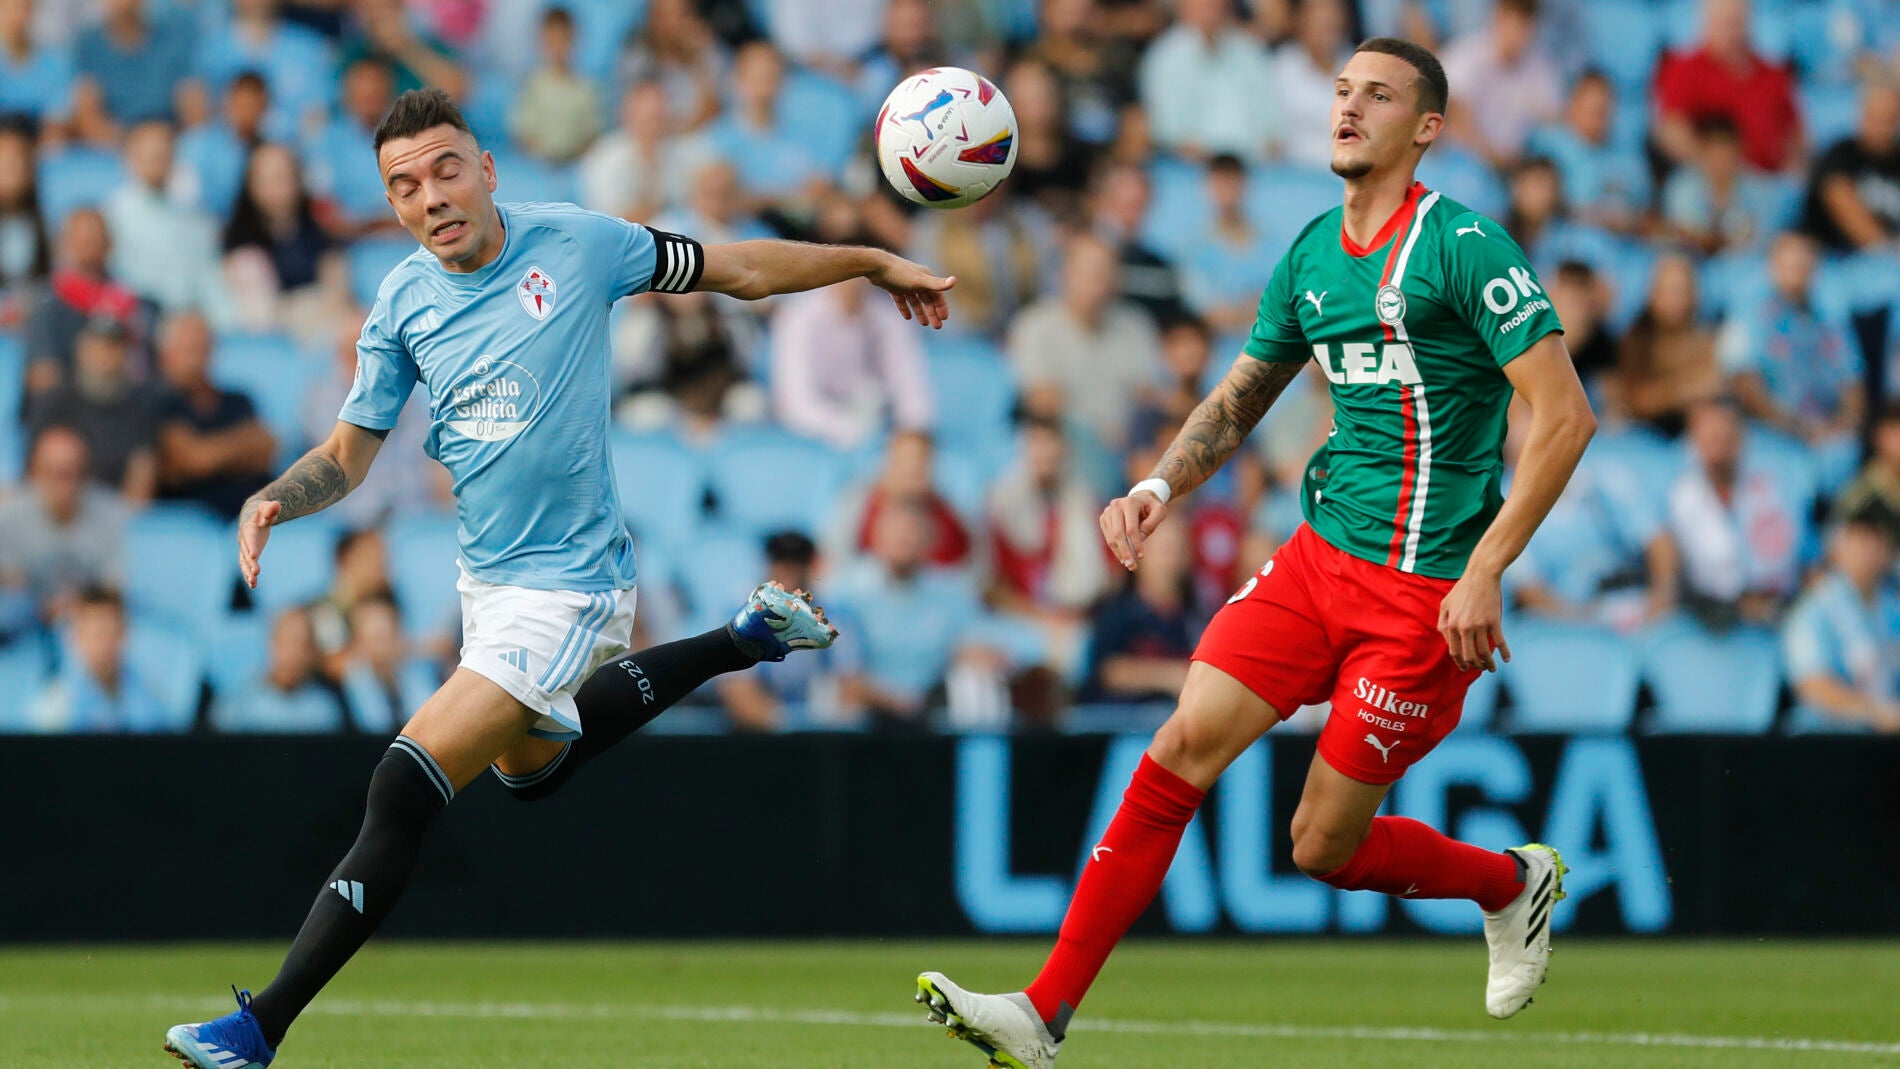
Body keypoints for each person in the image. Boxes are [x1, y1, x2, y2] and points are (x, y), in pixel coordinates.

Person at [161, 87, 953, 1068]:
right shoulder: (402, 302)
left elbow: (739, 268)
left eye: (446, 169)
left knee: (401, 788)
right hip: (486, 584)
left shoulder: (579, 244)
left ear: (486, 169)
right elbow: (348, 455)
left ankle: (259, 1027)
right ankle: (741, 638)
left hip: (573, 585)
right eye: (404, 185)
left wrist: (869, 259)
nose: (430, 196)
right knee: (532, 773)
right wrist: (276, 496)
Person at [915, 38, 1597, 1068]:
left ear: (1427, 128)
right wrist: (1156, 487)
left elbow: (1565, 417)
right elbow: (1240, 399)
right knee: (1181, 741)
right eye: (1341, 90)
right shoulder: (1312, 252)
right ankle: (1042, 1012)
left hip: (1423, 594)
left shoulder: (1466, 247)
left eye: (1379, 95)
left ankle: (1510, 882)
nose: (1348, 107)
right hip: (1319, 559)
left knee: (1320, 845)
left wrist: (1486, 567)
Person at [1719, 231, 1863, 493]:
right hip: (1771, 434)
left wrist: (1845, 422)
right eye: (1790, 261)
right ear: (1772, 266)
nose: (1798, 267)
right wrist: (1795, 427)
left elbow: (1853, 381)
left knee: (1844, 456)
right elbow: (1743, 381)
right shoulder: (1748, 313)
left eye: (1804, 260)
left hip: (1829, 433)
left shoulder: (1830, 317)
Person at [1663, 396, 1806, 630]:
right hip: (1711, 618)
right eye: (1711, 437)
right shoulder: (1680, 497)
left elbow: (1799, 557)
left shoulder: (1773, 485)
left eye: (1726, 436)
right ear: (1693, 440)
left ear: (1741, 436)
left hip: (1780, 608)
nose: (1719, 447)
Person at [0, 426, 127, 635]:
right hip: (29, 619)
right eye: (53, 472)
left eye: (70, 473)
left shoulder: (109, 513)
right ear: (35, 472)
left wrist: (75, 605)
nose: (62, 483)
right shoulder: (10, 517)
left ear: (85, 474)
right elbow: (11, 583)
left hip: (89, 618)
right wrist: (46, 606)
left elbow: (113, 586)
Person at [1781, 510, 1900, 733]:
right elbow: (1812, 684)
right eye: (1859, 540)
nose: (1868, 552)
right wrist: (1874, 711)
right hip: (1828, 736)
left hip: (1886, 738)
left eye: (1876, 540)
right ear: (1837, 547)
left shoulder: (1892, 608)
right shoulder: (1815, 608)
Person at [151, 309, 277, 519]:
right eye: (190, 349)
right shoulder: (157, 403)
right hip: (191, 520)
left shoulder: (239, 399)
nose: (199, 358)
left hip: (254, 512)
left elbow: (267, 448)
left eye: (204, 347)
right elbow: (194, 459)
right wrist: (243, 445)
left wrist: (211, 452)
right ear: (166, 354)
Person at [1651, 0, 1802, 174]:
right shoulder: (1683, 70)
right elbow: (1672, 132)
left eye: (1736, 22)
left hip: (1769, 180)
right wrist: (1721, 172)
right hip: (1708, 180)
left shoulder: (1774, 74)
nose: (1731, 31)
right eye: (1723, 22)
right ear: (1706, 22)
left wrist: (1789, 172)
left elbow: (1796, 133)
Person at [27, 315, 160, 501]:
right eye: (97, 346)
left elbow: (142, 471)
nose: (104, 356)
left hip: (115, 508)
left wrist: (124, 515)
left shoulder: (141, 405)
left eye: (113, 347)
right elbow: (37, 468)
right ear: (81, 350)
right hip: (60, 506)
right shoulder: (55, 400)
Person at [25, 585, 172, 732]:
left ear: (125, 633)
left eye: (112, 632)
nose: (105, 643)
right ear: (77, 637)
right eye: (97, 634)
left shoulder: (150, 698)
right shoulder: (56, 707)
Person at [1438, 0, 1561, 170]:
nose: (1517, 35)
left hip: (1518, 164)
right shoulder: (1466, 56)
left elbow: (1553, 119)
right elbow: (1456, 119)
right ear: (1498, 19)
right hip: (1467, 162)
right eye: (1512, 24)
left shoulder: (1540, 66)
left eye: (1524, 27)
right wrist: (1494, 157)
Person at [210, 605, 348, 733]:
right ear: (272, 643)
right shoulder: (235, 707)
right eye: (288, 642)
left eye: (304, 644)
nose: (295, 653)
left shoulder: (324, 710)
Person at [1800, 80, 1900, 254]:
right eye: (1874, 117)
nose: (1881, 126)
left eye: (1889, 119)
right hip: (1834, 255)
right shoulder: (1842, 153)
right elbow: (1843, 204)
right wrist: (1887, 248)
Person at [507, 6, 601, 165]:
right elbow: (522, 133)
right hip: (535, 166)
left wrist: (572, 158)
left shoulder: (586, 88)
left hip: (575, 166)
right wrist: (542, 156)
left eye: (563, 40)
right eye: (552, 40)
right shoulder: (532, 84)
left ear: (575, 41)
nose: (558, 47)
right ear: (541, 41)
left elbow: (592, 136)